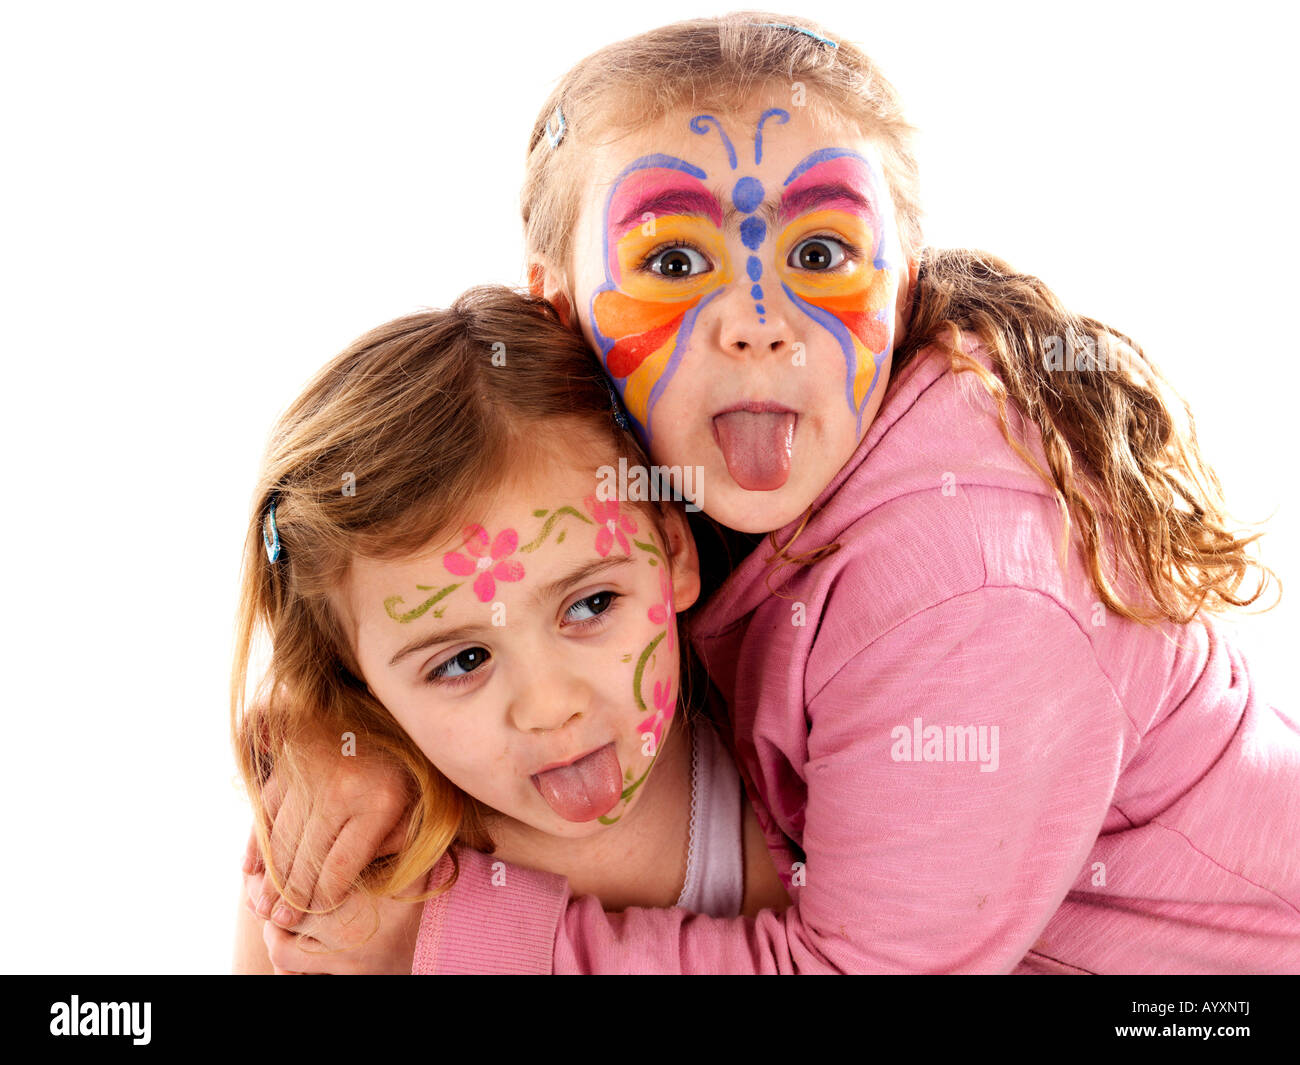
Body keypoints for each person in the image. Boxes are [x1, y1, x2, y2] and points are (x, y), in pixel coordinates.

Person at [250, 13, 1299, 974]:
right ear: (558, 311)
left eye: (819, 252)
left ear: (903, 283)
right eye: (671, 257)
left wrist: (443, 939)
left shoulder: (967, 589)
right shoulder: (634, 463)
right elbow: (408, 572)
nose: (758, 321)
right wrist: (344, 741)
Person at [231, 287, 789, 973]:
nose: (550, 704)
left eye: (590, 605)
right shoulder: (350, 871)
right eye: (463, 659)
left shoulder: (767, 800)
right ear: (358, 675)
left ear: (674, 551)